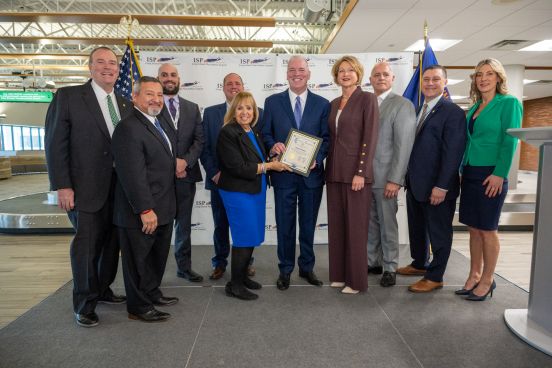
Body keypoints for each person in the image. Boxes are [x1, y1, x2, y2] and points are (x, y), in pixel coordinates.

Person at [44, 46, 132, 327]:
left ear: (118, 70)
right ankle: (84, 303)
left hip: (119, 190)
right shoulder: (68, 97)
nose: (108, 67)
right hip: (84, 189)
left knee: (110, 245)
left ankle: (103, 289)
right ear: (90, 67)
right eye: (101, 62)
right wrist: (63, 185)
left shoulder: (125, 103)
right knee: (86, 248)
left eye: (112, 63)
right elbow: (55, 145)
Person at [112, 76, 178, 322]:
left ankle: (151, 292)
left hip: (163, 206)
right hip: (141, 211)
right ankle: (138, 307)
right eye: (149, 94)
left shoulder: (156, 123)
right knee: (138, 260)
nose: (156, 99)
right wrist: (145, 209)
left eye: (160, 95)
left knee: (156, 257)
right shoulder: (129, 127)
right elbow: (132, 174)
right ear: (135, 97)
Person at [261, 55, 330, 290]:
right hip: (283, 175)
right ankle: (286, 269)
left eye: (301, 69)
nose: (296, 73)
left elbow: (327, 138)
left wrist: (317, 159)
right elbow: (265, 133)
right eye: (292, 70)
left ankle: (307, 268)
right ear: (287, 74)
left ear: (308, 74)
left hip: (311, 177)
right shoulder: (272, 102)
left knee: (309, 225)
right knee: (285, 224)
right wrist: (273, 145)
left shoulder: (323, 104)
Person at [457, 58, 522, 301]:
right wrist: (463, 169)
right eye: (479, 74)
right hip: (472, 171)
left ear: (498, 78)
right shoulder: (474, 108)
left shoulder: (508, 103)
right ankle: (474, 275)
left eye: (489, 74)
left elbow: (510, 141)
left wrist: (499, 173)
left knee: (487, 229)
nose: (483, 78)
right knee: (473, 228)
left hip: (491, 173)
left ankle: (488, 279)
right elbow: (469, 141)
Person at [397, 65, 466, 293]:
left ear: (444, 82)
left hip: (437, 186)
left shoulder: (452, 111)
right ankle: (419, 263)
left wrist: (442, 186)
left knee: (438, 232)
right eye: (426, 79)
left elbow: (453, 152)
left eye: (435, 79)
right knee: (417, 229)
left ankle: (435, 276)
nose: (429, 83)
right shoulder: (418, 109)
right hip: (416, 183)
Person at [216, 92, 290, 300]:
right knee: (243, 238)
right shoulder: (228, 133)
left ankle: (241, 277)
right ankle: (235, 285)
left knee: (251, 237)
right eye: (240, 108)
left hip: (253, 191)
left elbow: (259, 157)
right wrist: (270, 165)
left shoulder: (252, 131)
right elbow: (237, 167)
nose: (245, 112)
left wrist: (273, 155)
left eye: (249, 108)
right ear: (233, 111)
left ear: (254, 111)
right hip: (238, 192)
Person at [326, 55, 379, 294]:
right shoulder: (335, 102)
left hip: (356, 175)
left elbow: (369, 138)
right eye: (341, 71)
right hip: (335, 173)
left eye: (350, 70)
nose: (345, 74)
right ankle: (338, 274)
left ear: (358, 74)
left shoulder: (367, 99)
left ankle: (356, 281)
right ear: (336, 76)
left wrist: (361, 172)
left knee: (356, 229)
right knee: (337, 227)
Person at [200, 73, 261, 280]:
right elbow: (205, 147)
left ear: (243, 87)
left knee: (245, 225)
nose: (233, 86)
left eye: (237, 83)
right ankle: (220, 262)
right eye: (229, 83)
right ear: (223, 87)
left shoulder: (256, 113)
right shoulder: (210, 113)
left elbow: (258, 147)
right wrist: (214, 173)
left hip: (246, 183)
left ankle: (245, 265)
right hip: (219, 181)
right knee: (221, 224)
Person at [366, 61, 416, 287]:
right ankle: (373, 261)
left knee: (388, 225)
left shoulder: (403, 105)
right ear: (370, 79)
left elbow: (403, 145)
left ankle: (390, 266)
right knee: (371, 223)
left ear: (393, 78)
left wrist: (395, 179)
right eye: (376, 75)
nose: (380, 78)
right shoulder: (366, 103)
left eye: (385, 74)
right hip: (365, 177)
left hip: (387, 177)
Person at [157, 63, 205, 283]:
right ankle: (152, 271)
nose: (169, 78)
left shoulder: (192, 107)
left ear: (179, 79)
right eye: (164, 75)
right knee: (159, 225)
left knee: (183, 225)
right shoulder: (151, 106)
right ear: (158, 79)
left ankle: (183, 267)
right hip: (159, 178)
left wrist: (185, 162)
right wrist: (171, 164)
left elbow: (199, 140)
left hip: (186, 175)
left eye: (173, 75)